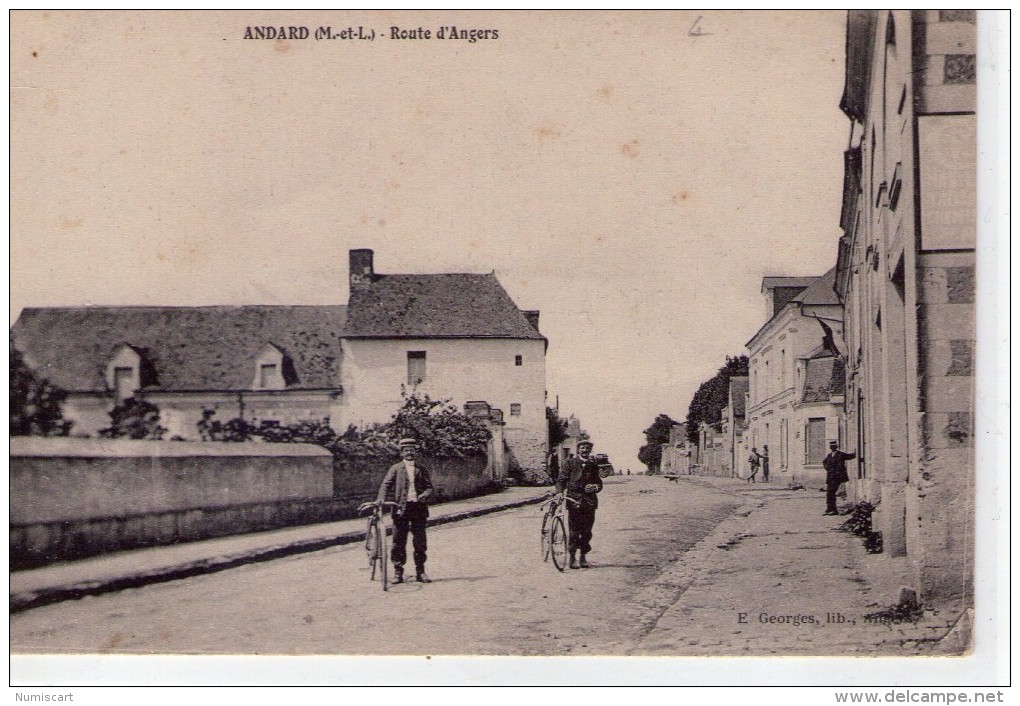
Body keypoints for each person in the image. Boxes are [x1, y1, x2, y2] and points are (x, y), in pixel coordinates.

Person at [376, 437, 435, 583]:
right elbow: (386, 485)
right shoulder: (395, 468)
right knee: (398, 541)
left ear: (416, 452)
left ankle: (420, 572)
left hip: (418, 509)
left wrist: (425, 495)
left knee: (420, 542)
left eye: (412, 450)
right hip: (400, 509)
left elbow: (429, 487)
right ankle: (398, 573)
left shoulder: (421, 469)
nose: (409, 452)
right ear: (402, 453)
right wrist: (381, 498)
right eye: (406, 450)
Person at [555, 438, 603, 568]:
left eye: (587, 448)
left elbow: (599, 483)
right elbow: (561, 480)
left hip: (589, 503)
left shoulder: (593, 465)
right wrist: (559, 492)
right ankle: (572, 557)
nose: (585, 450)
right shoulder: (570, 463)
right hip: (574, 501)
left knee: (587, 531)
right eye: (582, 448)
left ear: (590, 450)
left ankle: (583, 556)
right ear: (578, 450)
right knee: (574, 531)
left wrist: (595, 487)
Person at [822, 440, 856, 516]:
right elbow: (824, 462)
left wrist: (855, 451)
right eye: (831, 447)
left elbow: (850, 456)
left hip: (838, 477)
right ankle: (829, 509)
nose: (832, 448)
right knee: (829, 493)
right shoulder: (829, 455)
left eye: (834, 447)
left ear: (836, 447)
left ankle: (833, 510)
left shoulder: (841, 454)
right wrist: (828, 468)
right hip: (831, 477)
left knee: (831, 492)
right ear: (830, 448)